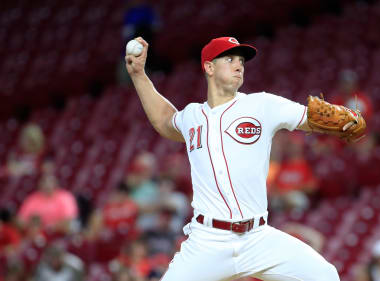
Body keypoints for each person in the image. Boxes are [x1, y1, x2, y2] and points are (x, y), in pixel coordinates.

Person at [125, 36, 358, 280]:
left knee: (325, 275)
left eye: (241, 61)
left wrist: (344, 119)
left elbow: (309, 117)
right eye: (229, 59)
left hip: (257, 237)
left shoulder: (262, 104)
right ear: (209, 67)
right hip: (208, 242)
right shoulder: (192, 116)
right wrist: (139, 75)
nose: (239, 65)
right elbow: (164, 120)